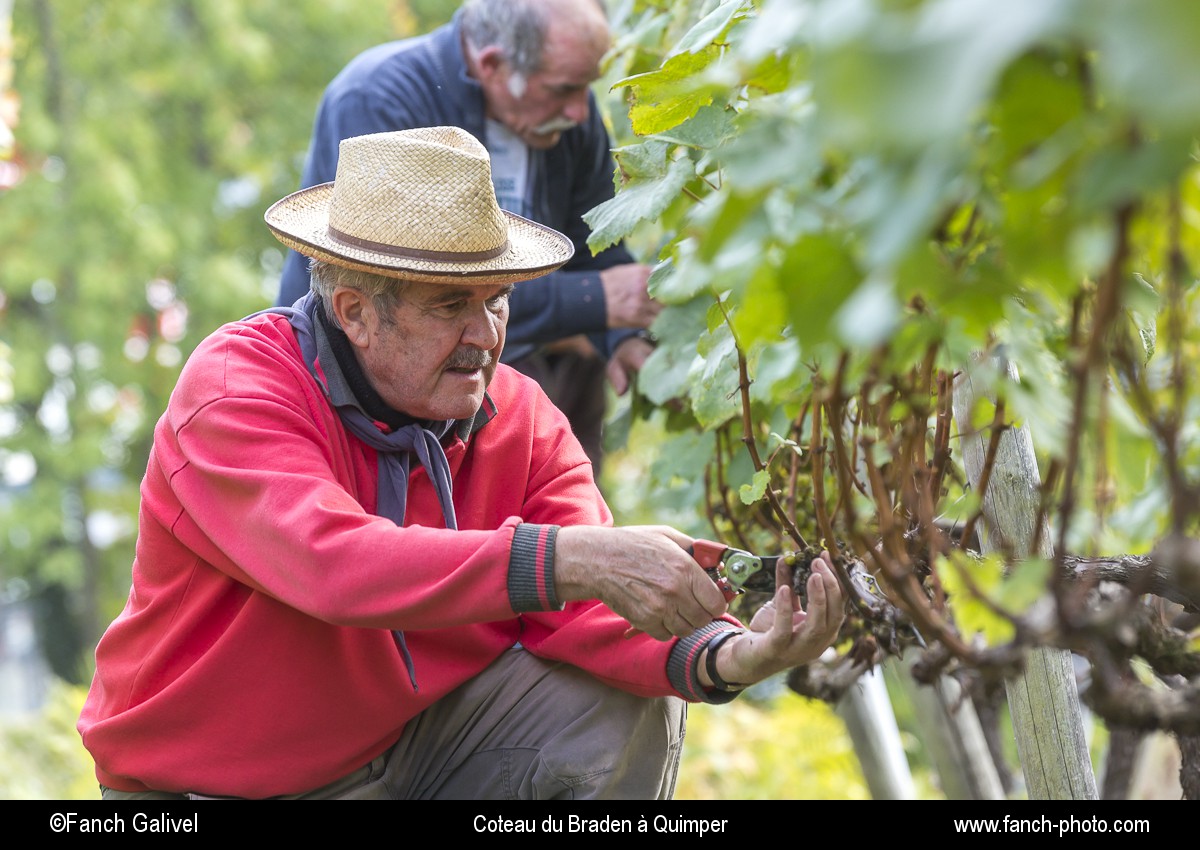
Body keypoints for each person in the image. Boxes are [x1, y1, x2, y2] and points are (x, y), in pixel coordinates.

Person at [77, 127, 845, 800]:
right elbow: (332, 564)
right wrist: (572, 557)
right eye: (450, 306)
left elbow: (589, 605)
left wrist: (728, 653)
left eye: (500, 299)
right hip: (207, 787)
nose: (486, 334)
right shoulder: (236, 390)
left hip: (407, 752)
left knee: (625, 700)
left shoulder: (522, 416)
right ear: (354, 312)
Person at [275, 0, 659, 473]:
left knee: (559, 521)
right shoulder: (381, 96)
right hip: (366, 404)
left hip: (499, 389)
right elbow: (414, 286)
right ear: (493, 63)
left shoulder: (565, 121)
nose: (582, 112)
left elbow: (596, 245)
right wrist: (592, 300)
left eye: (586, 87)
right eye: (565, 88)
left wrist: (620, 337)